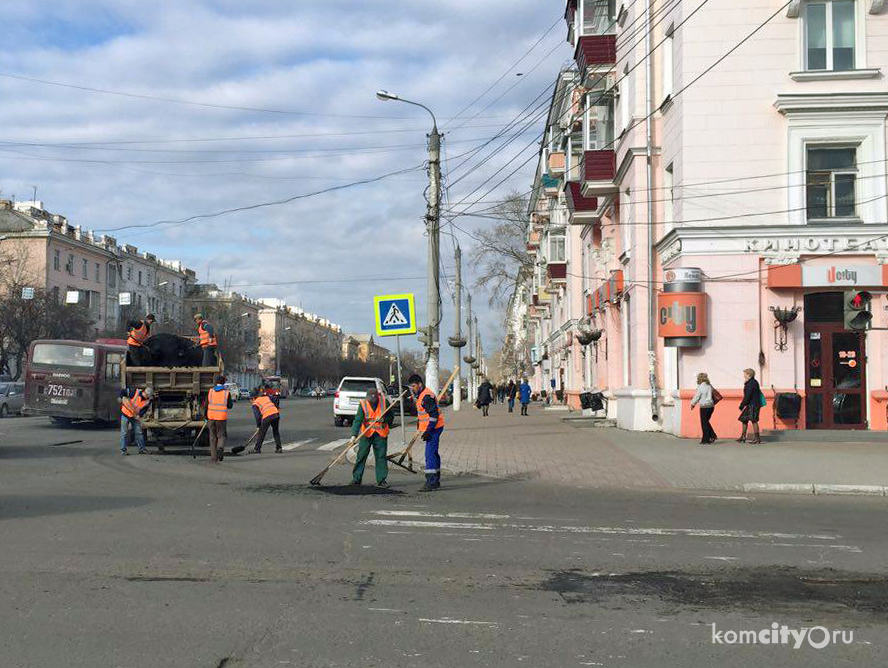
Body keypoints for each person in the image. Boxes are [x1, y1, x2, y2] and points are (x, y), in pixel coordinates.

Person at [351, 387, 393, 488]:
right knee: (361, 455)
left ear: (378, 398)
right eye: (370, 400)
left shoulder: (384, 402)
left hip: (380, 434)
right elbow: (358, 420)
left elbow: (391, 417)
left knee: (381, 457)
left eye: (373, 401)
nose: (371, 402)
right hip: (367, 433)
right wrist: (354, 435)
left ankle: (381, 480)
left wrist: (383, 419)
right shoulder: (363, 404)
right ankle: (356, 479)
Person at [408, 373, 444, 491]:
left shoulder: (426, 396)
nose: (412, 388)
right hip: (431, 428)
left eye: (414, 386)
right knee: (433, 453)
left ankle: (431, 482)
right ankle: (436, 479)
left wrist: (428, 431)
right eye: (411, 386)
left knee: (429, 454)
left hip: (434, 428)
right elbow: (423, 414)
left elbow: (433, 415)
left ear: (420, 384)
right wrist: (420, 426)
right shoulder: (421, 395)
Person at [205, 374, 232, 462]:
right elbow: (230, 405)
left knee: (212, 437)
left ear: (215, 382)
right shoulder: (226, 392)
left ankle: (214, 457)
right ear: (223, 382)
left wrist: (206, 417)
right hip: (221, 418)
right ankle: (220, 448)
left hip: (211, 417)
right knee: (222, 436)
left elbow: (206, 405)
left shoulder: (211, 391)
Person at [119, 386, 153, 455]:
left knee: (139, 433)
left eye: (148, 396)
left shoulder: (147, 401)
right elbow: (123, 391)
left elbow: (144, 410)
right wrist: (120, 397)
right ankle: (123, 450)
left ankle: (142, 449)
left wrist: (139, 415)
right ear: (144, 392)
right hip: (125, 414)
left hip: (134, 417)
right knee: (124, 433)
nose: (146, 396)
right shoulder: (134, 392)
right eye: (146, 395)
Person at [690, 372, 717, 445]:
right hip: (711, 406)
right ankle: (712, 436)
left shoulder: (701, 387)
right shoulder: (709, 386)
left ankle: (706, 439)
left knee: (704, 423)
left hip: (704, 406)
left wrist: (692, 404)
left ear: (700, 378)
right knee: (706, 422)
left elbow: (697, 397)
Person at [737, 368, 762, 444]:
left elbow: (748, 395)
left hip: (753, 405)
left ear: (749, 374)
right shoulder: (751, 382)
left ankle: (757, 438)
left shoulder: (751, 383)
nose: (744, 375)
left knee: (754, 420)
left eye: (745, 373)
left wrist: (742, 405)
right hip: (751, 404)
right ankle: (743, 436)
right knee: (744, 419)